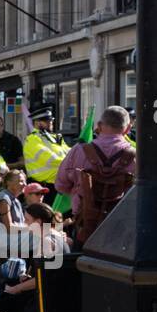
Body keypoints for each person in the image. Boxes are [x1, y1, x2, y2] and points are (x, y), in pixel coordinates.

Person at [54, 106, 137, 249]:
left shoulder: (79, 150)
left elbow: (61, 185)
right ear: (128, 128)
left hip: (85, 226)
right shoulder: (135, 156)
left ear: (99, 125)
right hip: (122, 229)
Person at [23, 106, 71, 202]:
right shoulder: (32, 139)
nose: (50, 123)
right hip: (43, 188)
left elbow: (70, 153)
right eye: (46, 121)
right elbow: (50, 159)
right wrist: (71, 163)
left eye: (51, 120)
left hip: (60, 185)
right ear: (37, 123)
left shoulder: (55, 138)